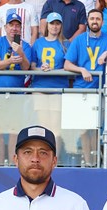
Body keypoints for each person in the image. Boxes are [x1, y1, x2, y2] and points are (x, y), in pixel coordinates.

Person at [63, 8, 107, 166]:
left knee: (96, 127)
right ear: (87, 21)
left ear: (102, 22)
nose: (95, 21)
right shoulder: (80, 39)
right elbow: (67, 64)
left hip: (101, 90)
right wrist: (82, 69)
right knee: (84, 128)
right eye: (92, 18)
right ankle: (89, 161)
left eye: (98, 19)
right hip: (83, 88)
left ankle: (95, 160)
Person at [0, 11, 34, 165]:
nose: (14, 28)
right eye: (11, 25)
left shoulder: (25, 45)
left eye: (17, 25)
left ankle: (10, 162)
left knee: (14, 129)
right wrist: (9, 62)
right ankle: (0, 162)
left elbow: (26, 68)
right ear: (5, 27)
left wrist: (20, 52)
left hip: (16, 93)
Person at [31, 11, 68, 155]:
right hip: (40, 87)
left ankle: (55, 156)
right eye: (52, 23)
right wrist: (41, 68)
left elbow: (69, 65)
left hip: (58, 88)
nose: (54, 26)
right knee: (43, 125)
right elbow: (32, 65)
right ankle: (44, 155)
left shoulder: (65, 44)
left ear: (61, 26)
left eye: (57, 23)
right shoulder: (38, 43)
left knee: (56, 127)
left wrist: (54, 69)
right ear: (47, 25)